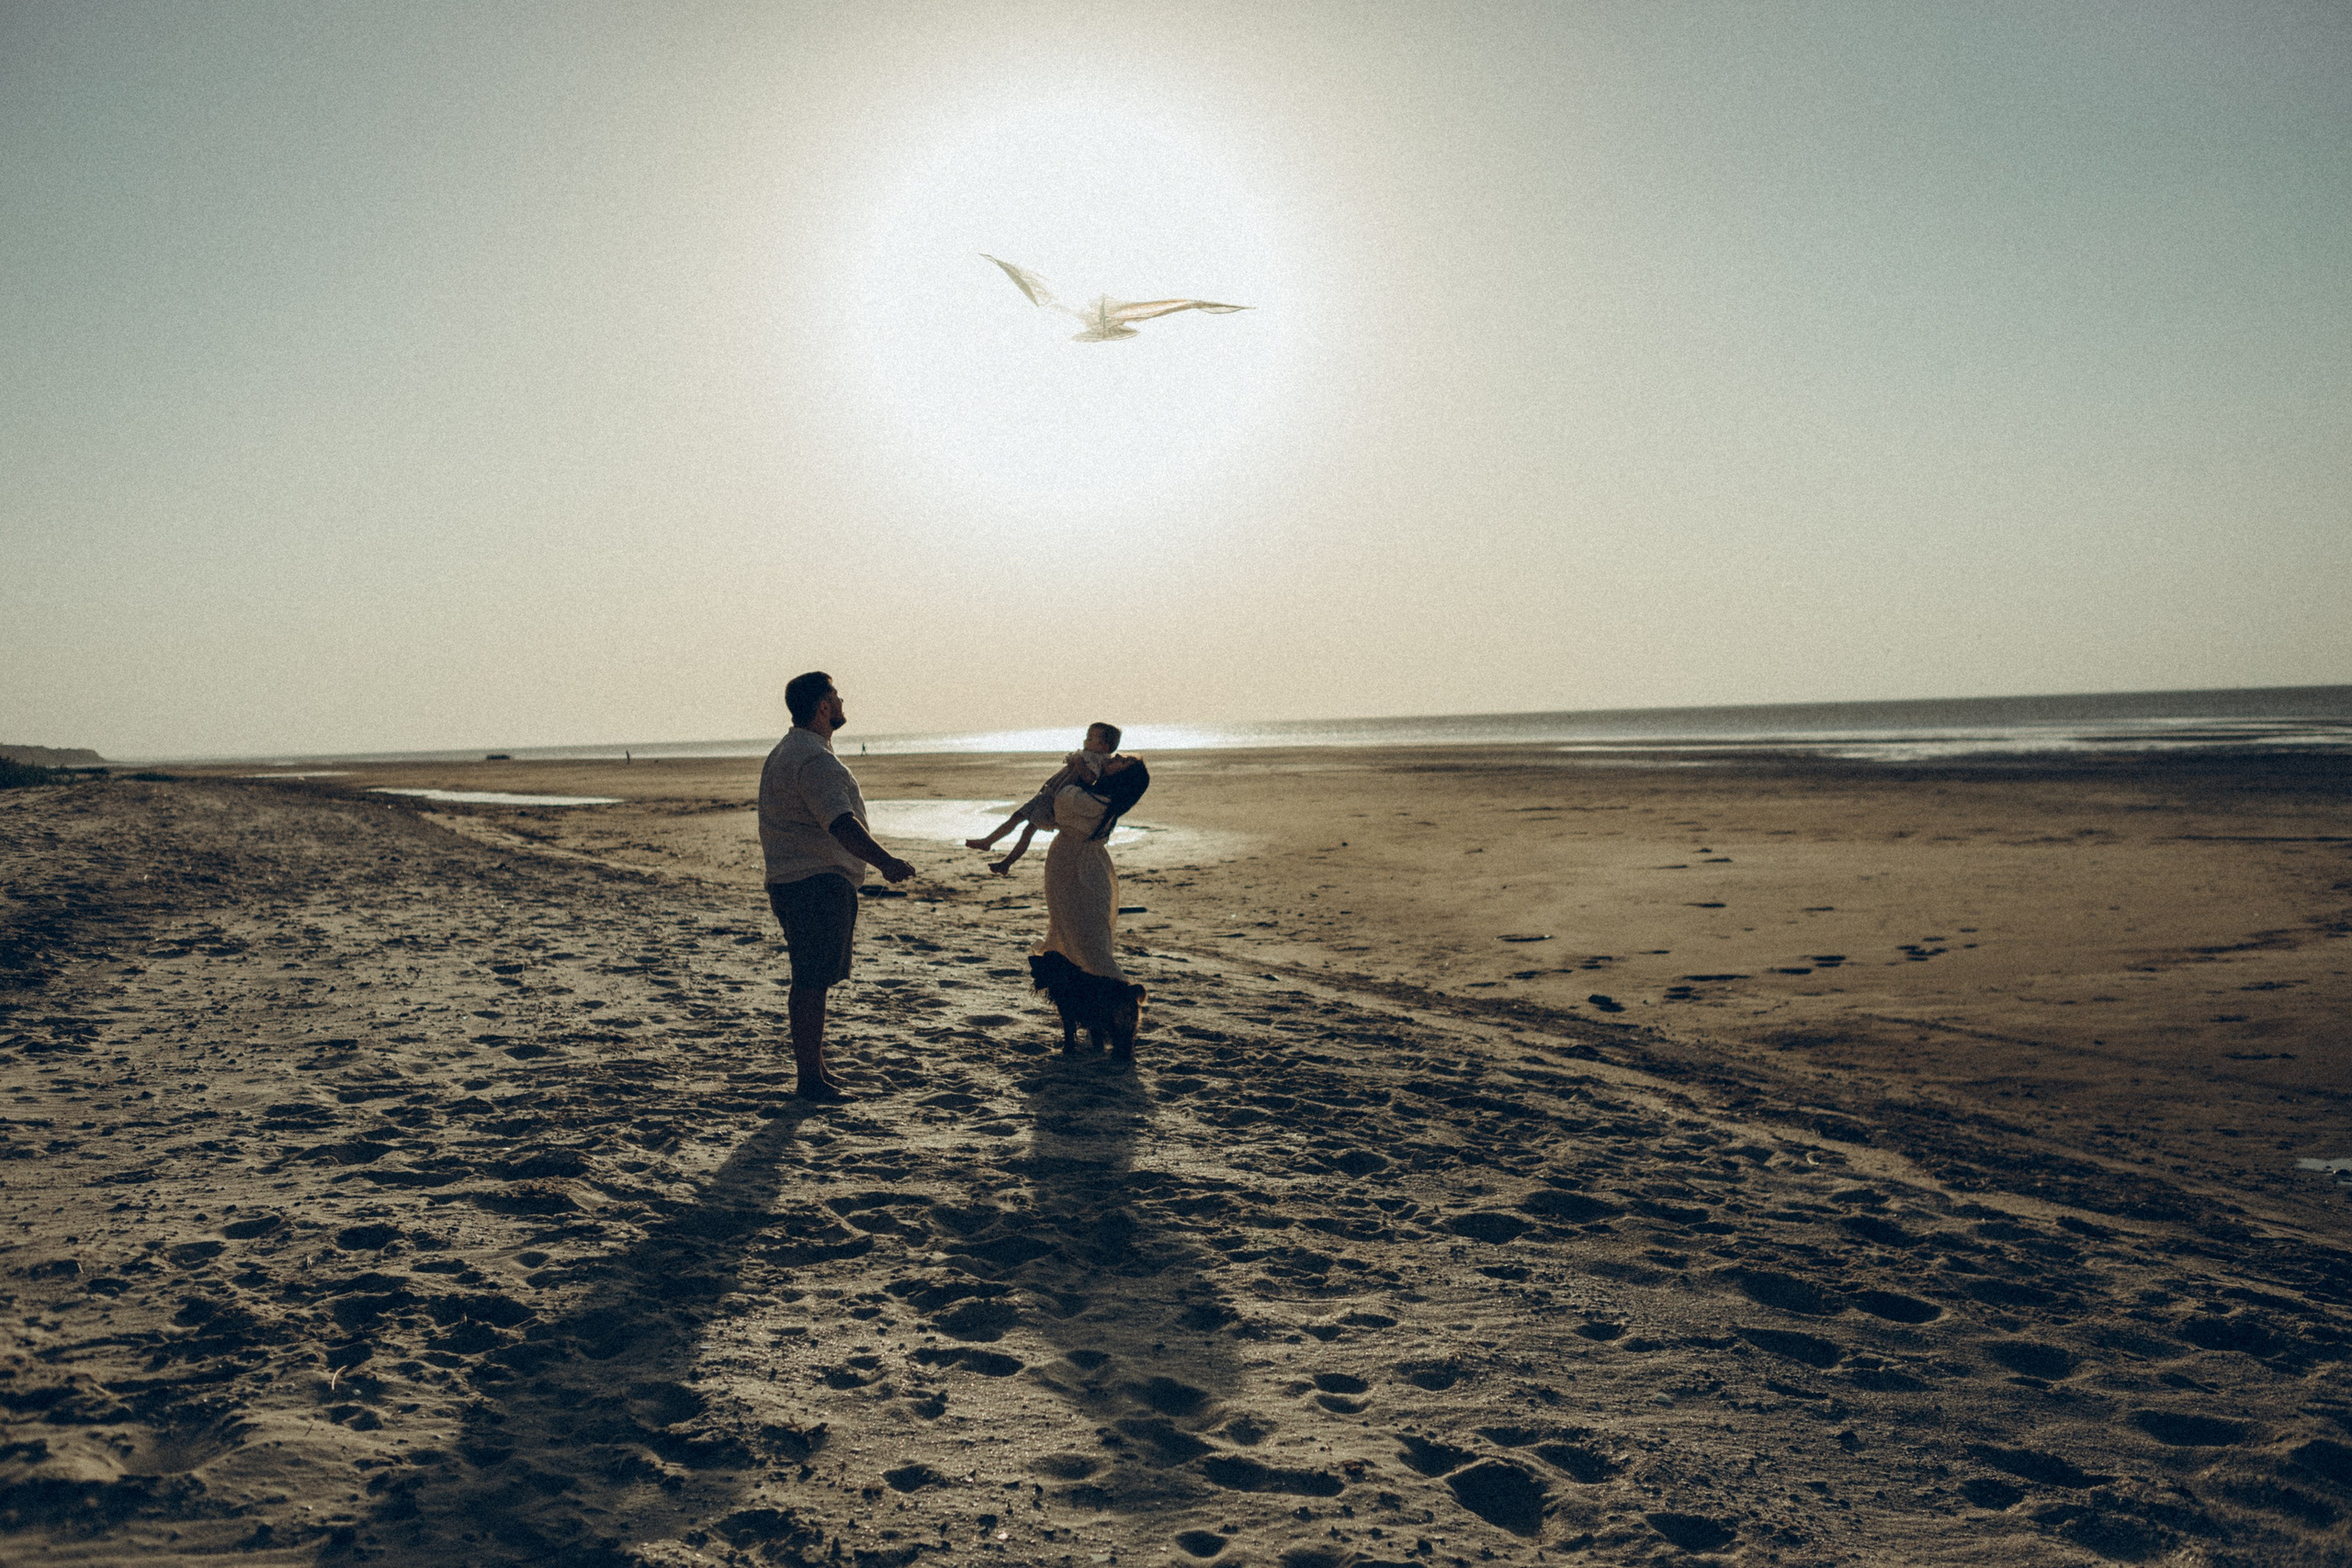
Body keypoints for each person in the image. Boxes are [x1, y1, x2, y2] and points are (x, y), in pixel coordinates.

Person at [758, 671, 915, 1101]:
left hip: (794, 879)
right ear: (823, 707)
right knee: (811, 980)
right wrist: (886, 862)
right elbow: (840, 822)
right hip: (815, 882)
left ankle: (817, 1071)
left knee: (812, 978)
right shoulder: (814, 760)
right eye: (836, 695)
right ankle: (810, 1080)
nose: (843, 700)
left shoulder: (789, 751)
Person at [1035, 752, 1151, 982]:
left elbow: (1062, 798)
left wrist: (1079, 766)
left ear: (1123, 777)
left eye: (1123, 762)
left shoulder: (1098, 801)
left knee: (1085, 933)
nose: (1117, 756)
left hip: (1076, 864)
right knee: (1069, 924)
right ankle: (1085, 988)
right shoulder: (1102, 798)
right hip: (1076, 861)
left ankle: (1119, 992)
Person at [965, 722, 1121, 875]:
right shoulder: (1088, 754)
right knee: (1016, 816)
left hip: (1054, 801)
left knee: (1028, 830)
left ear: (1104, 746)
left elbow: (1088, 778)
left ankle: (1006, 863)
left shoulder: (1098, 760)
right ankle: (988, 842)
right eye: (1087, 737)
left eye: (1091, 738)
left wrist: (1078, 761)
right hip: (1046, 794)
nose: (1086, 740)